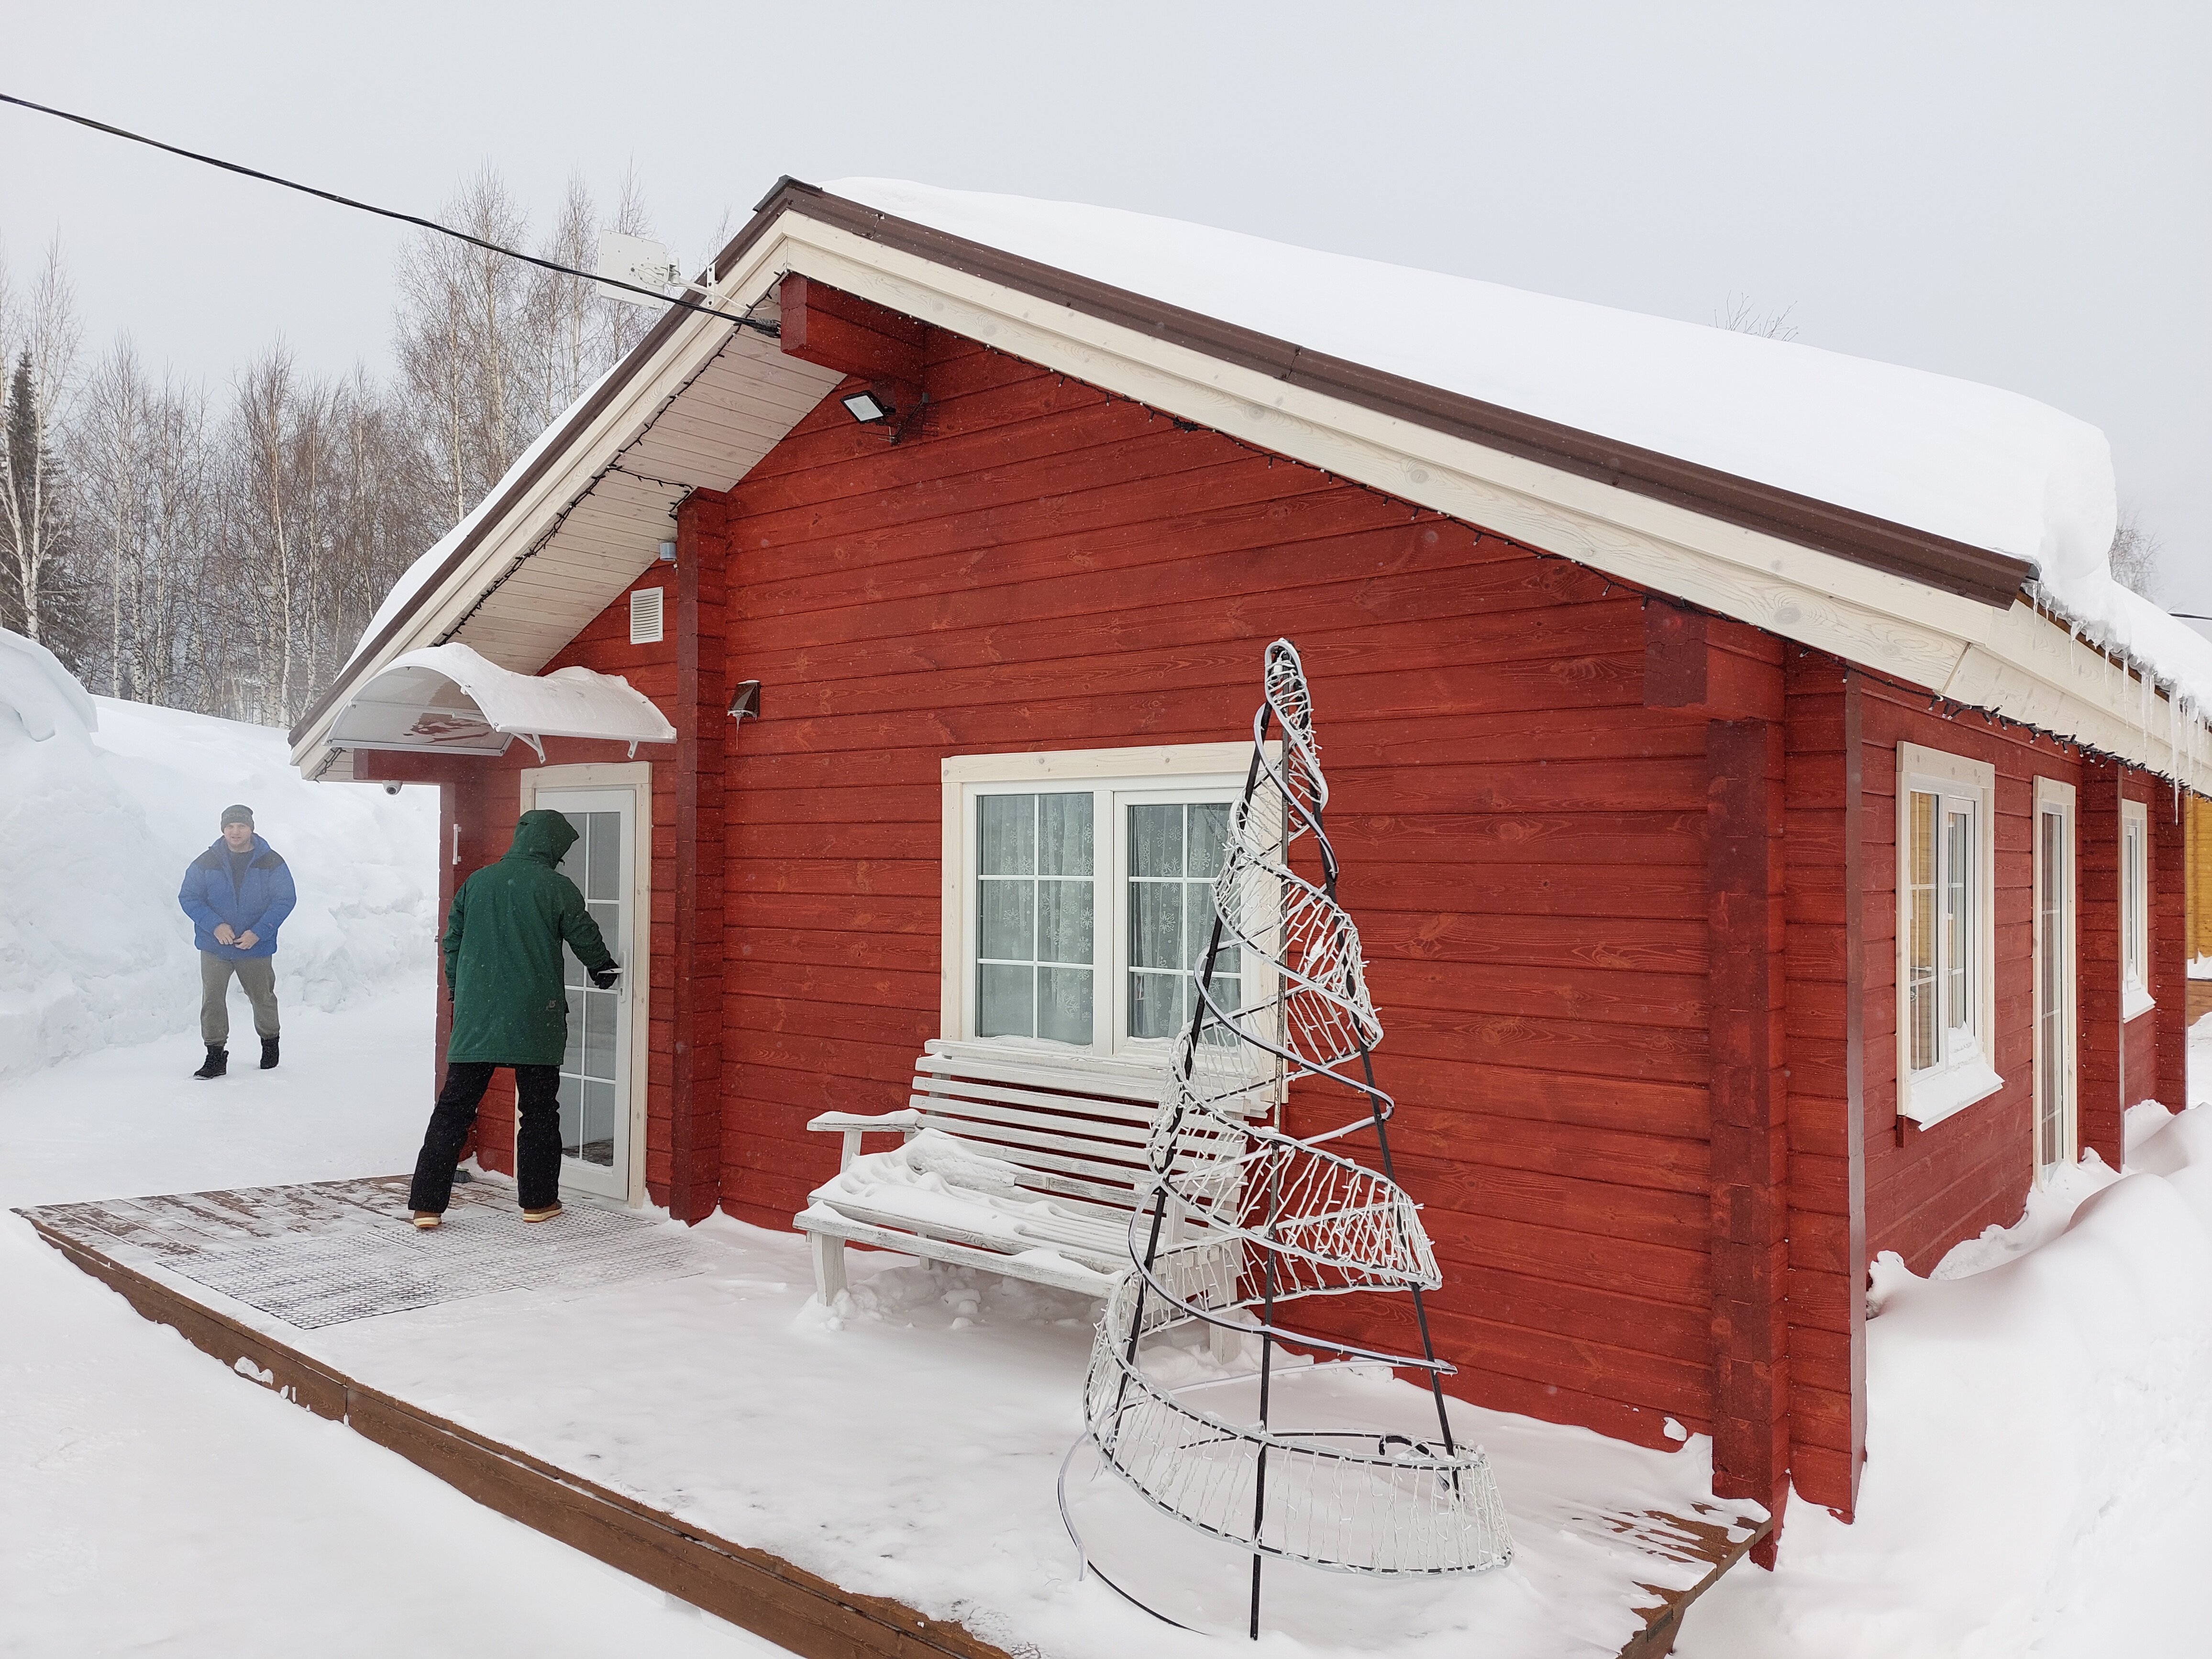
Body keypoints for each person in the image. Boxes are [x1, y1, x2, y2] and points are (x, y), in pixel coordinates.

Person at [407, 808, 619, 1228]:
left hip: (478, 1015)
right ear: (551, 845)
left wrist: (461, 990)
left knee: (453, 1110)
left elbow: (453, 942)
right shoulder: (557, 888)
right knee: (539, 1111)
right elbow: (585, 934)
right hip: (534, 1016)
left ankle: (427, 1205)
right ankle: (538, 1203)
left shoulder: (477, 883)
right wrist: (604, 969)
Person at [177, 804, 297, 1080]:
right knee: (213, 1001)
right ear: (223, 830)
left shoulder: (271, 861)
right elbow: (189, 897)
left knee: (263, 998)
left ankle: (270, 1046)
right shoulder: (206, 861)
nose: (235, 832)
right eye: (230, 827)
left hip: (255, 946)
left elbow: (284, 899)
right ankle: (215, 1056)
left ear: (251, 828)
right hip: (214, 946)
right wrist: (215, 925)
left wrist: (259, 932)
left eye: (241, 826)